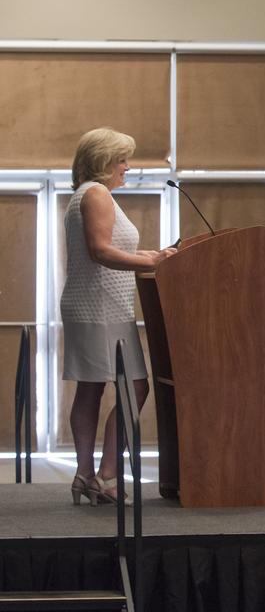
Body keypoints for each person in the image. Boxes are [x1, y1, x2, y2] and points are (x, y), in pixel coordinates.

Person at [63, 128, 176, 506]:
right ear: (103, 161)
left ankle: (86, 475)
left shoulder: (88, 194)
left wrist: (152, 256)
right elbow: (101, 252)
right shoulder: (96, 194)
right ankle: (107, 477)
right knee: (136, 386)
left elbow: (112, 249)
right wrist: (153, 260)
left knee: (92, 387)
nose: (127, 166)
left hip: (95, 303)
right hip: (100, 306)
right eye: (122, 159)